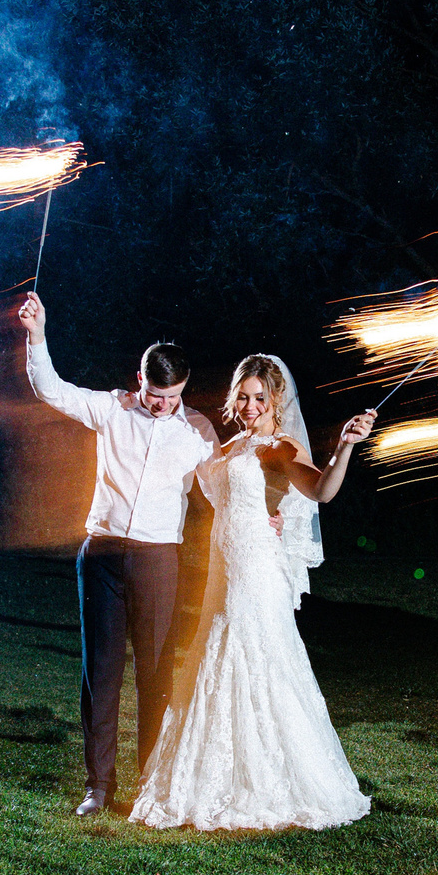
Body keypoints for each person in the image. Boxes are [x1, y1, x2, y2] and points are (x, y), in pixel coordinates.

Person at [131, 356, 376, 830]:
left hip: (255, 571)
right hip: (224, 570)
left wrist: (344, 447)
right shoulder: (235, 443)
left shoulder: (278, 447)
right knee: (215, 656)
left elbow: (321, 491)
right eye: (242, 395)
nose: (248, 405)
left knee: (253, 657)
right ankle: (213, 778)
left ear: (276, 399)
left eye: (259, 397)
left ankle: (266, 782)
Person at [15, 292, 219, 814]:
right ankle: (98, 787)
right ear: (140, 379)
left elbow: (221, 486)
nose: (161, 404)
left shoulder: (197, 432)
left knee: (156, 673)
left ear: (183, 389)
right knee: (100, 673)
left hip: (158, 559)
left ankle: (150, 785)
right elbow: (52, 390)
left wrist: (265, 511)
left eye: (171, 395)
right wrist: (37, 334)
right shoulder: (112, 409)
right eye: (154, 393)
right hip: (102, 554)